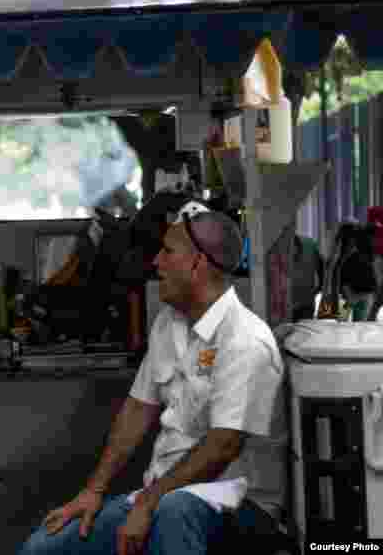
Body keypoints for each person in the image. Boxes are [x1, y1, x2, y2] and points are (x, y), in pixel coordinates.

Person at [19, 205, 287, 555]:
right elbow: (137, 409)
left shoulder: (246, 340)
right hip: (162, 493)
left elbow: (223, 446)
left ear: (197, 265)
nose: (155, 262)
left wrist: (148, 504)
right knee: (44, 548)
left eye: (167, 251)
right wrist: (94, 491)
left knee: (175, 513)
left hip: (236, 500)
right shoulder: (168, 322)